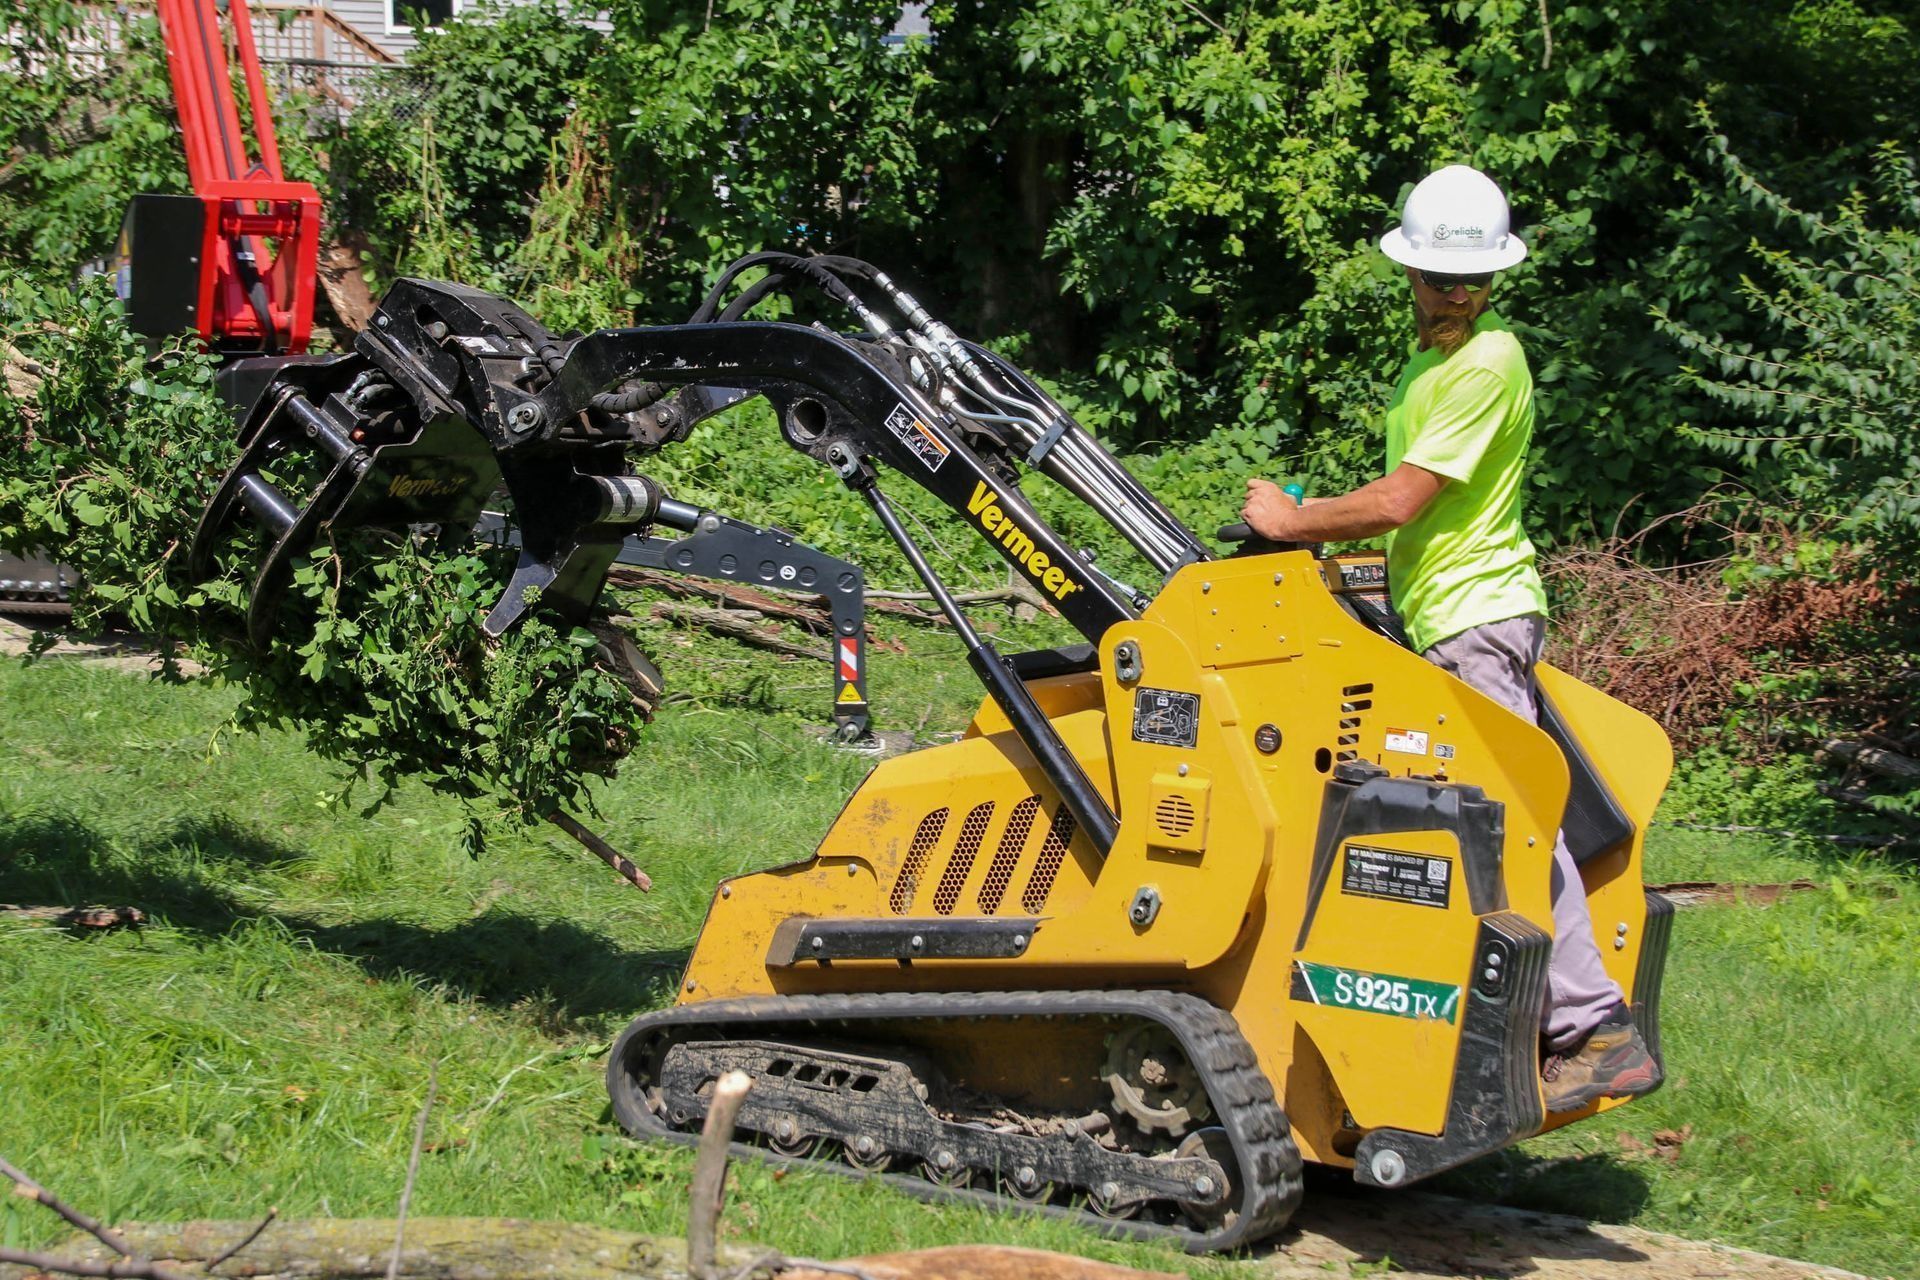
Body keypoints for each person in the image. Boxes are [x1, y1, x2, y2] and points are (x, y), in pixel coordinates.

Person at [1239, 164, 1658, 1113]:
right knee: (1458, 832)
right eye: (1440, 280)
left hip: (1476, 618)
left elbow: (1401, 500)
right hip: (1446, 615)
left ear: (1493, 282)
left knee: (1506, 821)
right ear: (1413, 277)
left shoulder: (1487, 363)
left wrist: (1292, 524)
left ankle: (1593, 1027)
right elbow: (1410, 511)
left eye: (1468, 283)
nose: (1453, 296)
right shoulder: (1432, 365)